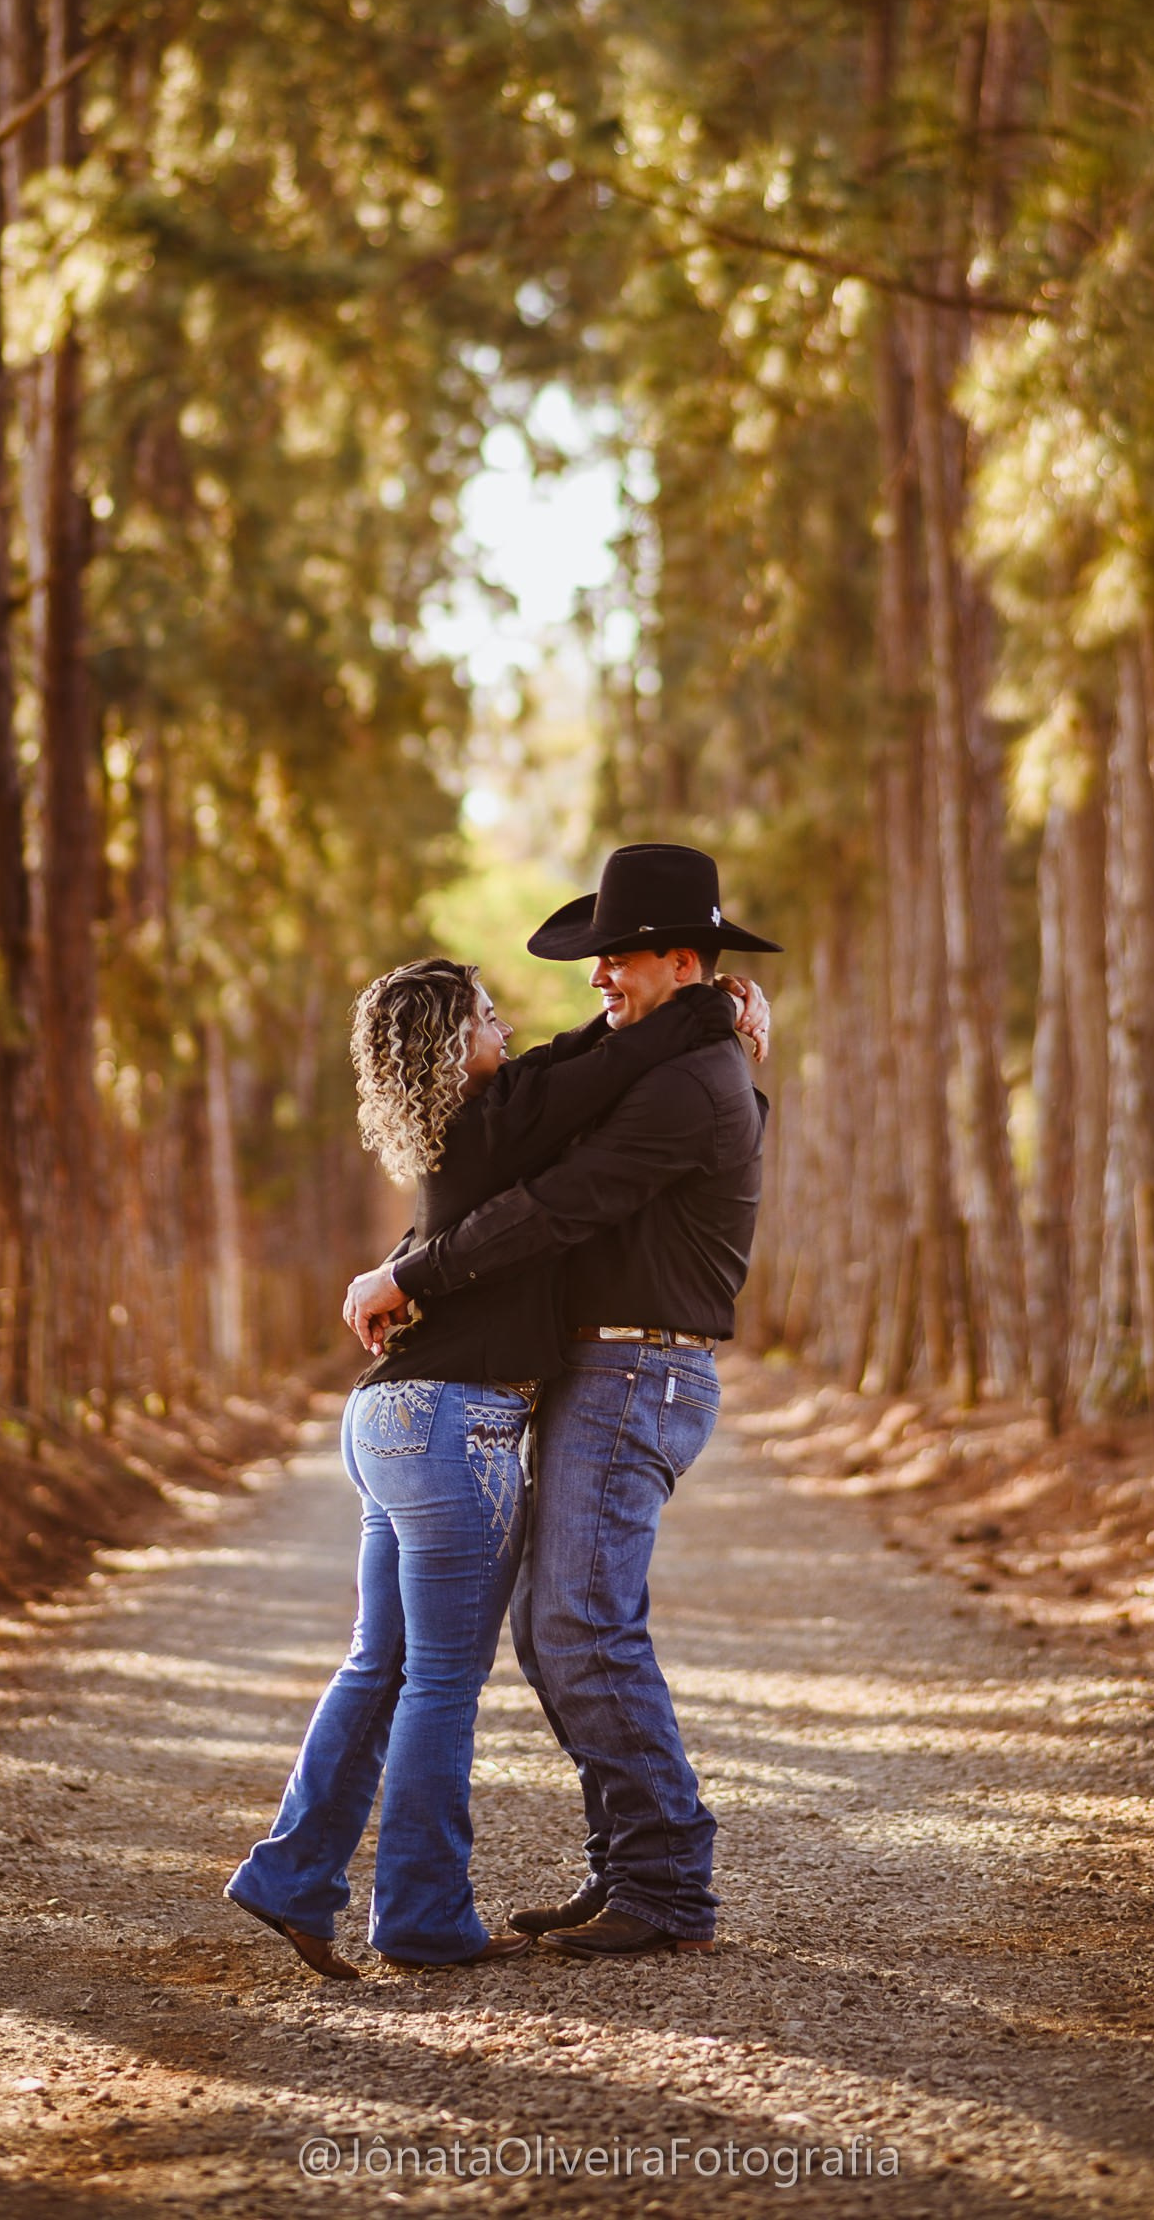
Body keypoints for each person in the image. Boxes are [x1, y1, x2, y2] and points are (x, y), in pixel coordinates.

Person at [225, 952, 750, 1977]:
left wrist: (713, 1032)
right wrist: (705, 1017)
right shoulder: (499, 1117)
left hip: (387, 1422)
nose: (508, 1032)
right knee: (439, 1682)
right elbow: (597, 1063)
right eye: (486, 1019)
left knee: (378, 1663)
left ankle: (290, 1877)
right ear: (448, 1048)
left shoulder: (460, 1135)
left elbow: (588, 1068)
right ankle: (422, 1917)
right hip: (451, 1427)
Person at [346, 842, 779, 1964]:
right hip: (606, 1367)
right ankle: (627, 1867)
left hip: (638, 1372)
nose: (600, 976)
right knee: (555, 1632)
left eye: (621, 958)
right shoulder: (677, 1057)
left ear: (684, 962)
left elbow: (557, 1204)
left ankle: (668, 1885)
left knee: (578, 1625)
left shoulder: (689, 1076)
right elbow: (545, 1115)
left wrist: (411, 1275)